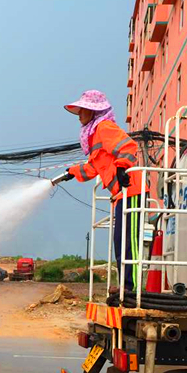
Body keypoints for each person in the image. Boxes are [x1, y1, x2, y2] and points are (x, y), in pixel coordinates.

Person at [60, 90, 146, 295]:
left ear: (93, 111)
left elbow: (128, 146)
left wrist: (122, 167)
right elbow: (93, 168)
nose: (79, 115)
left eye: (83, 110)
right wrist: (72, 172)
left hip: (131, 189)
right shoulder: (94, 134)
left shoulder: (104, 127)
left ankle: (130, 288)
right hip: (120, 195)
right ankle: (125, 285)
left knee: (129, 240)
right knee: (120, 241)